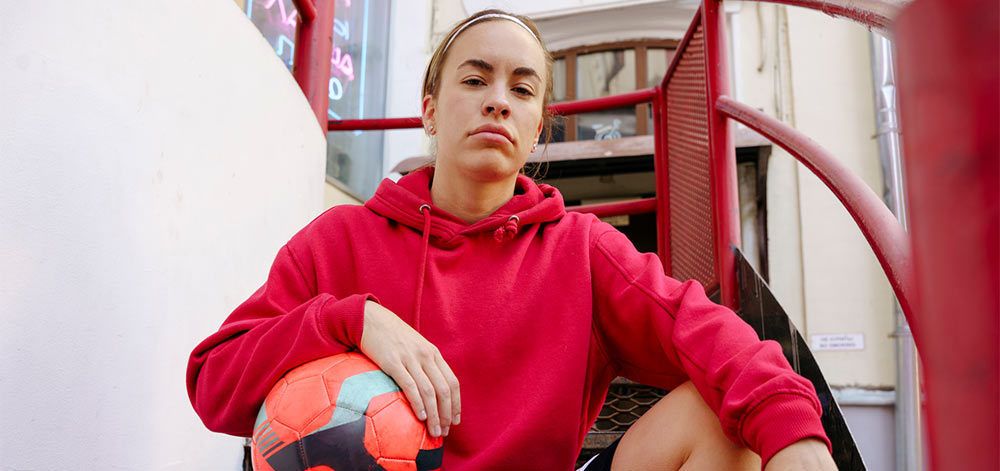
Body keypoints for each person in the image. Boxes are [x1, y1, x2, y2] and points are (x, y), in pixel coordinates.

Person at [187, 9, 837, 471]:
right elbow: (213, 378)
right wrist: (351, 320)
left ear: (536, 129)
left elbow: (706, 332)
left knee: (725, 418)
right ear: (431, 108)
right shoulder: (340, 240)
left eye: (522, 89)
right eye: (474, 80)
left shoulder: (583, 249)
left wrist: (794, 430)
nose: (498, 100)